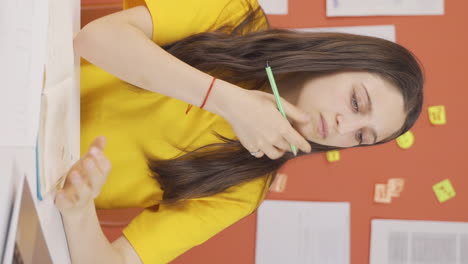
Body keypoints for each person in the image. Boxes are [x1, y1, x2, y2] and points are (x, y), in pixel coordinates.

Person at [56, 0, 424, 263]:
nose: (346, 127)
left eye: (362, 136)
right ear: (337, 58)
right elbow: (95, 39)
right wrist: (228, 101)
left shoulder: (242, 191)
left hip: (35, 181)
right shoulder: (234, 15)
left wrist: (79, 211)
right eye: (357, 102)